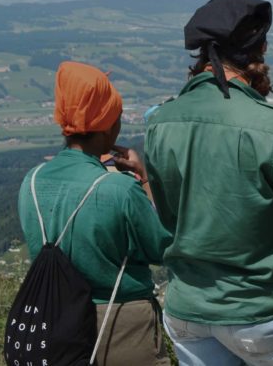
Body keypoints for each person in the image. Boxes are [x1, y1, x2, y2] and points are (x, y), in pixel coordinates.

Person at [144, 0, 273, 366]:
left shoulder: (159, 123)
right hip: (263, 312)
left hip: (187, 312)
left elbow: (165, 214)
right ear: (258, 49)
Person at [17, 61, 172, 365]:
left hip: (53, 319)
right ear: (108, 127)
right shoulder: (119, 189)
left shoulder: (31, 182)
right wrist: (143, 177)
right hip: (121, 322)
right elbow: (164, 246)